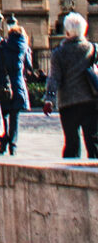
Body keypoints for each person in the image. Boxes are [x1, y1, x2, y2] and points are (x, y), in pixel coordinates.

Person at [44, 11, 98, 158]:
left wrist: (49, 99)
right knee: (93, 141)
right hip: (90, 101)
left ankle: (69, 173)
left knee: (72, 143)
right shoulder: (92, 49)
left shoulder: (59, 53)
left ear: (66, 31)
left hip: (68, 103)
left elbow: (54, 78)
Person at [0, 16, 31, 157]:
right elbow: (29, 66)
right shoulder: (24, 48)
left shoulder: (2, 47)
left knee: (3, 116)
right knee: (15, 118)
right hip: (17, 86)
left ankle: (3, 143)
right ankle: (13, 145)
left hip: (3, 86)